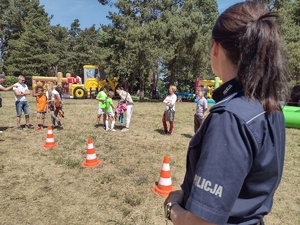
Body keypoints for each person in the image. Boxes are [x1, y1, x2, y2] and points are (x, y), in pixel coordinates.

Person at [164, 2, 288, 225]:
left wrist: (172, 207)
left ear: (216, 47)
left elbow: (202, 222)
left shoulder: (230, 118)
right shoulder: (270, 107)